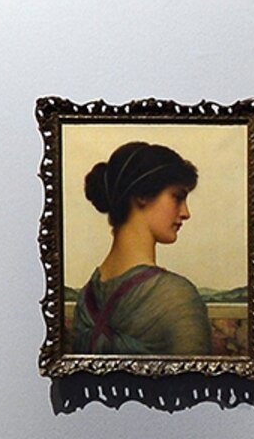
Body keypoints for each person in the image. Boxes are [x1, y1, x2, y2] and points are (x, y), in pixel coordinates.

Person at [69, 139, 212, 355]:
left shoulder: (85, 300)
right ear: (142, 195)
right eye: (177, 197)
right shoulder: (177, 298)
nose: (186, 213)